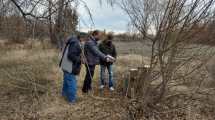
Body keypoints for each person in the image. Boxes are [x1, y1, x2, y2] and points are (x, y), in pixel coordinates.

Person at [59, 32, 87, 103]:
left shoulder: (72, 41)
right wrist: (81, 60)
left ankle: (64, 94)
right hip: (69, 66)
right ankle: (72, 100)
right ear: (81, 38)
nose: (85, 41)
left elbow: (72, 53)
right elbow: (71, 55)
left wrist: (80, 55)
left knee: (66, 80)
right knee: (72, 82)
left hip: (65, 65)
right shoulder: (75, 43)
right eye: (85, 39)